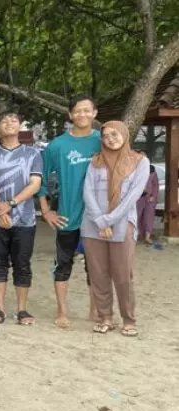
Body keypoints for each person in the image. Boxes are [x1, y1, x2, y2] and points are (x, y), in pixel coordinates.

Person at [38, 97, 102, 328]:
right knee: (63, 264)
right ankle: (62, 311)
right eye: (78, 111)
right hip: (67, 215)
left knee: (95, 267)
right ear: (70, 115)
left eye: (87, 110)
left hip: (97, 217)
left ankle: (95, 311)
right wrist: (46, 210)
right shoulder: (57, 146)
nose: (82, 114)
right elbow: (41, 178)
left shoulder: (102, 140)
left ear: (94, 113)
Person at [83, 122, 149, 337]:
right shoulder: (95, 162)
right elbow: (88, 192)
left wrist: (109, 221)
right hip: (93, 226)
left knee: (122, 274)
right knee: (98, 274)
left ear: (124, 134)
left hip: (122, 225)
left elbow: (132, 197)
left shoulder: (140, 161)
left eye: (115, 134)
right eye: (106, 136)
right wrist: (101, 221)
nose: (111, 139)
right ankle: (105, 317)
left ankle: (128, 319)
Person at [0, 112, 43, 325]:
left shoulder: (32, 153)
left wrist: (11, 204)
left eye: (13, 120)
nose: (9, 124)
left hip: (24, 218)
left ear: (20, 125)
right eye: (4, 121)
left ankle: (22, 309)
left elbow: (35, 184)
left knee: (22, 263)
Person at [135, 162, 158, 244]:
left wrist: (153, 196)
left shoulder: (152, 170)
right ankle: (138, 234)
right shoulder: (135, 169)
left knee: (149, 217)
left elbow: (155, 185)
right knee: (137, 216)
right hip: (138, 197)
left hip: (150, 198)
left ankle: (147, 236)